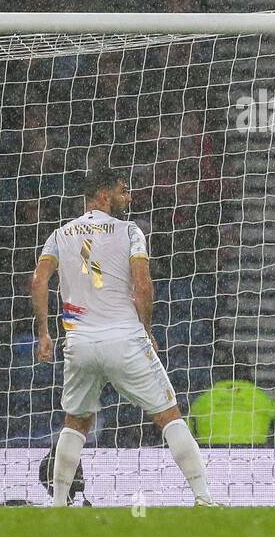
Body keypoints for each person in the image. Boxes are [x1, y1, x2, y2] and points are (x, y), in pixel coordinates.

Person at [31, 166, 217, 507]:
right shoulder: (130, 231)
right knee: (168, 415)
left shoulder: (60, 234)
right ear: (104, 195)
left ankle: (57, 505)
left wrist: (44, 332)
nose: (128, 197)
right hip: (124, 338)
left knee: (76, 421)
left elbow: (39, 280)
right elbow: (143, 286)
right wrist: (147, 330)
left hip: (80, 342)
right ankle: (204, 498)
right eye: (122, 190)